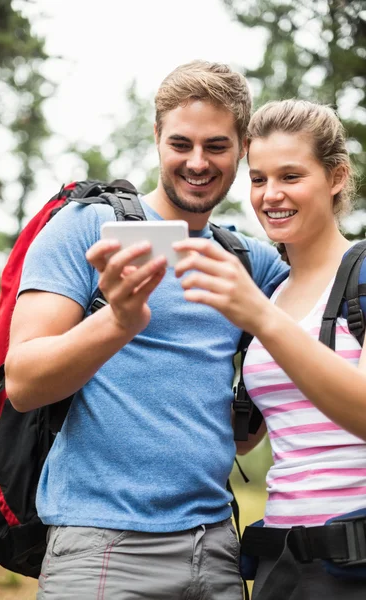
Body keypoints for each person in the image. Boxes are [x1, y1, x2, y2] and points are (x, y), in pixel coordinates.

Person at [5, 60, 288, 600]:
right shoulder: (85, 228)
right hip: (101, 549)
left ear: (243, 147)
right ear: (157, 136)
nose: (197, 162)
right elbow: (23, 382)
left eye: (217, 146)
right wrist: (118, 322)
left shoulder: (252, 263)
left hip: (217, 550)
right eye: (181, 143)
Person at [174, 98, 366, 599]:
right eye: (258, 179)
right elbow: (247, 438)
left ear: (337, 176)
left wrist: (260, 318)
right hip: (280, 563)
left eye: (290, 176)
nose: (270, 195)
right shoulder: (273, 290)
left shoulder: (360, 276)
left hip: (356, 562)